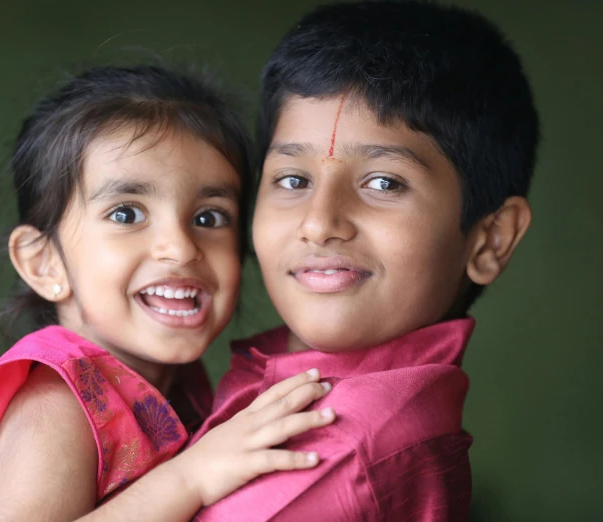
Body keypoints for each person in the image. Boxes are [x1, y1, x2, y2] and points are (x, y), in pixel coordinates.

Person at [192, 1, 539, 520]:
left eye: (384, 183)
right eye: (293, 179)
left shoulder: (332, 459)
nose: (319, 221)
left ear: (490, 240)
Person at [0, 64, 336, 522]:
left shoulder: (175, 387)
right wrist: (189, 478)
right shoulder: (58, 404)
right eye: (127, 214)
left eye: (209, 218)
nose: (181, 248)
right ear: (44, 263)